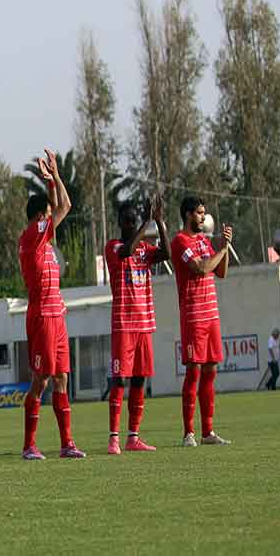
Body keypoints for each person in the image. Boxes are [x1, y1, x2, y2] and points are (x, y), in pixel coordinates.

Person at [18, 149, 86, 460]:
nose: (51, 219)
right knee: (41, 379)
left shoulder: (44, 240)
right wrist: (54, 180)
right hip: (42, 317)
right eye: (47, 215)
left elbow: (60, 205)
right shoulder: (31, 235)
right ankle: (29, 445)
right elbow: (66, 206)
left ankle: (67, 443)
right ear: (39, 217)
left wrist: (53, 178)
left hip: (57, 316)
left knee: (62, 378)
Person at [104, 197, 169, 455]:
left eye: (134, 221)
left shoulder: (145, 249)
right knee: (119, 381)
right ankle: (113, 438)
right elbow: (126, 251)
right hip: (123, 326)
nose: (132, 225)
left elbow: (166, 254)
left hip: (144, 325)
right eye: (128, 221)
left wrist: (160, 223)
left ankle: (133, 436)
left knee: (139, 381)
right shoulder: (113, 247)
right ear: (120, 223)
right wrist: (147, 222)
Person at [170, 195, 233, 446]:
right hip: (194, 317)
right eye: (199, 213)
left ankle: (208, 432)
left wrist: (224, 248)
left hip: (211, 316)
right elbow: (201, 268)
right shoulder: (180, 241)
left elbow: (222, 272)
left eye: (204, 213)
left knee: (210, 372)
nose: (203, 217)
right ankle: (189, 433)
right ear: (187, 214)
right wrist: (220, 250)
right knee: (193, 372)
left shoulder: (205, 242)